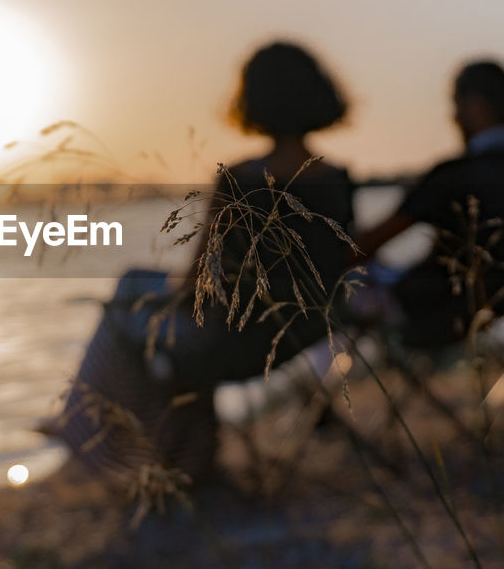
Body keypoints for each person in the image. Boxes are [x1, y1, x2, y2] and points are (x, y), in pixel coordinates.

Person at [49, 41, 356, 486]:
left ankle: (91, 432)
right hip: (302, 336)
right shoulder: (337, 179)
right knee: (138, 285)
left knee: (126, 310)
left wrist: (159, 301)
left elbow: (195, 283)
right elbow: (343, 263)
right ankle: (175, 454)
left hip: (230, 343)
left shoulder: (240, 180)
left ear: (254, 102)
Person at [351, 58, 504, 348]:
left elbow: (367, 245)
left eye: (456, 105)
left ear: (476, 105)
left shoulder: (455, 175)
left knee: (347, 288)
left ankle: (317, 388)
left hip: (440, 310)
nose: (453, 117)